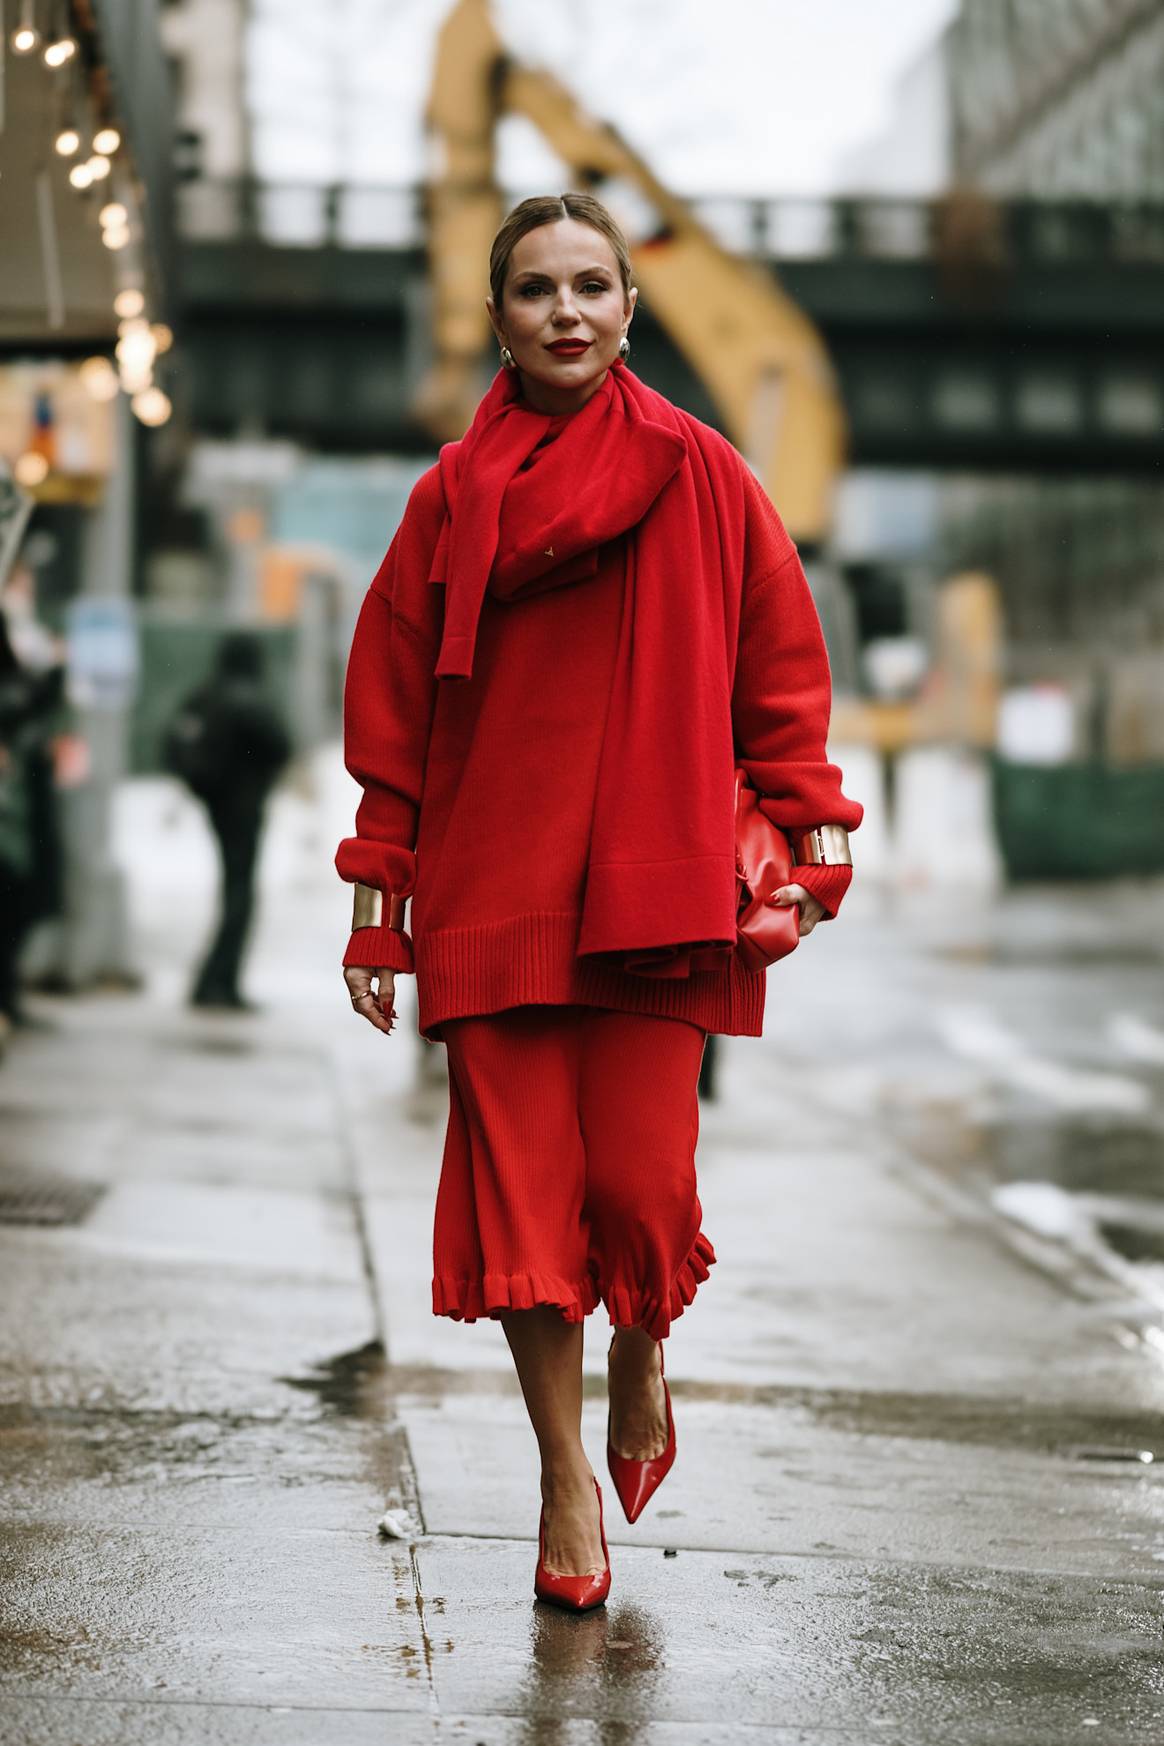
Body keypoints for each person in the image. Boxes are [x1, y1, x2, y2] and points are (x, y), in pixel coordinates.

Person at [338, 192, 863, 1611]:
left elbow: (781, 674)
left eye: (589, 286)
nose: (564, 311)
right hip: (488, 889)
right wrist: (381, 901)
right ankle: (564, 1482)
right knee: (521, 1208)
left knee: (638, 1187)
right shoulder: (447, 498)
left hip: (657, 885)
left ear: (631, 308)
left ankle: (644, 1340)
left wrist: (809, 842)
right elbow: (393, 717)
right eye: (532, 289)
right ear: (500, 320)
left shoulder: (711, 476)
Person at [165, 631, 291, 1011]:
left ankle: (214, 979)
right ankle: (220, 981)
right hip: (244, 807)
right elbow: (281, 744)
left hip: (218, 806)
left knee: (233, 892)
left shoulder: (205, 696)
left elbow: (173, 743)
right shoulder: (249, 701)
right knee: (240, 895)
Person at [0, 611, 66, 1048]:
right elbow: (25, 702)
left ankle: (8, 997)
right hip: (12, 823)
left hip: (19, 820)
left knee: (16, 909)